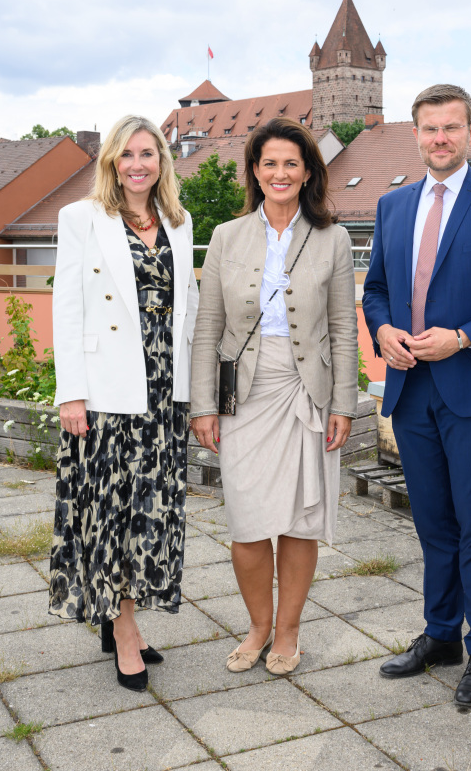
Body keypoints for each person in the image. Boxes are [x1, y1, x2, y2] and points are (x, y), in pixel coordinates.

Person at [362, 84, 471, 707]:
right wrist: (382, 329)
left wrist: (463, 338)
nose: (440, 138)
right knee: (433, 522)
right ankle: (441, 635)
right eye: (429, 128)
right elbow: (376, 286)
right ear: (415, 133)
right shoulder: (393, 205)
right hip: (410, 388)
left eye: (451, 128)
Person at [189, 116, 357, 677]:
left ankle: (288, 632)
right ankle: (257, 625)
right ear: (255, 172)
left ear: (307, 171)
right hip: (246, 392)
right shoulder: (225, 236)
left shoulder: (333, 238)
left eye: (291, 163)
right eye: (269, 164)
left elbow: (343, 328)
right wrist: (202, 404)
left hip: (307, 389)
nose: (280, 173)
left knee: (298, 520)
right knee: (248, 519)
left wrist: (343, 404)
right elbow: (206, 326)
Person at [49, 115, 200, 693]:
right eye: (127, 154)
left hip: (163, 388)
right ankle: (126, 629)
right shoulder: (82, 218)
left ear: (162, 160)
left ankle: (120, 618)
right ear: (111, 160)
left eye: (149, 153)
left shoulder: (179, 223)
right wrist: (72, 392)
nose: (138, 164)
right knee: (111, 513)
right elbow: (67, 308)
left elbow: (187, 309)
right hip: (108, 391)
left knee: (152, 512)